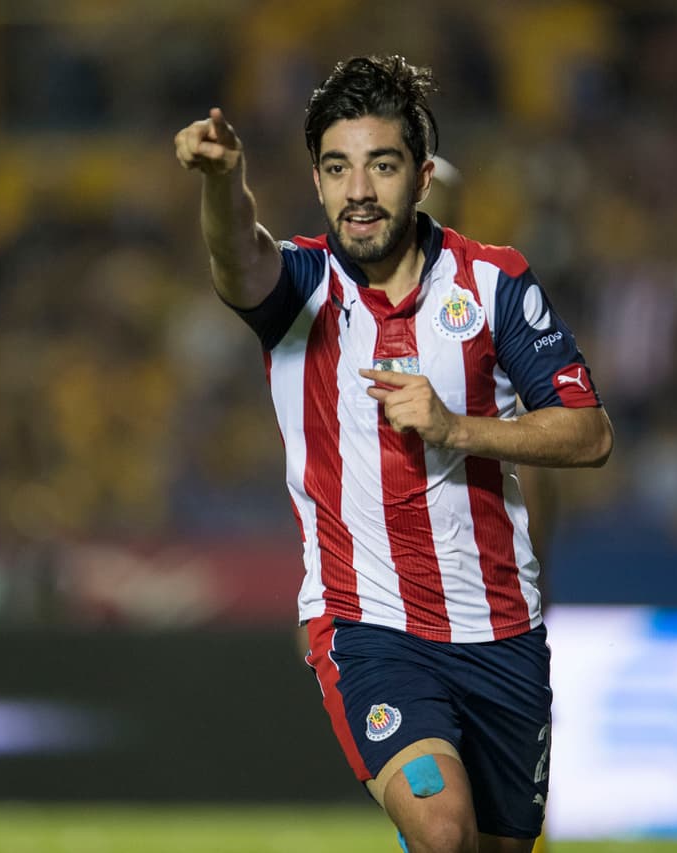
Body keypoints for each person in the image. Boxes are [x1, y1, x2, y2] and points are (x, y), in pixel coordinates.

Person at [174, 55, 612, 853]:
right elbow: (239, 258)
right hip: (368, 623)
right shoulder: (301, 288)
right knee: (443, 829)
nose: (360, 190)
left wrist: (457, 427)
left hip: (502, 631)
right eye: (338, 169)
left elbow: (589, 431)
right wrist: (222, 183)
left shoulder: (495, 285)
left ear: (420, 174)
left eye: (381, 165)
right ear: (316, 181)